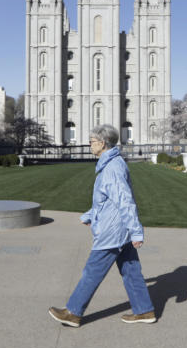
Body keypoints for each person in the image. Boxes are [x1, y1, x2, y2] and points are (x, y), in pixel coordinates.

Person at [48, 124, 156, 327]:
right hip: (118, 230)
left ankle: (73, 312)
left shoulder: (112, 168)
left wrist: (136, 232)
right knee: (131, 270)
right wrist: (90, 214)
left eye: (92, 141)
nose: (89, 144)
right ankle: (144, 310)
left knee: (93, 271)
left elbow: (125, 201)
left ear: (103, 143)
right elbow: (106, 200)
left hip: (113, 232)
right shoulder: (111, 164)